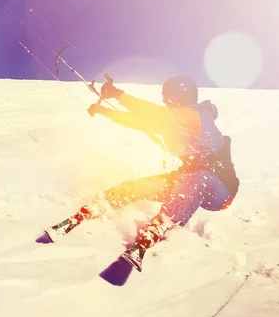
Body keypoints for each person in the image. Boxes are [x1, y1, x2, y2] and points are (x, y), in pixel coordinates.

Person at [45, 73, 240, 271]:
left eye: (170, 98)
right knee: (137, 187)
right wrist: (103, 110)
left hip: (220, 191)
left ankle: (157, 229)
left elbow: (154, 114)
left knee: (197, 178)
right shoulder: (175, 122)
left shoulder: (197, 115)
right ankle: (95, 208)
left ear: (184, 97)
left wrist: (118, 95)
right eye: (165, 98)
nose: (166, 102)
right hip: (188, 181)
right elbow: (138, 122)